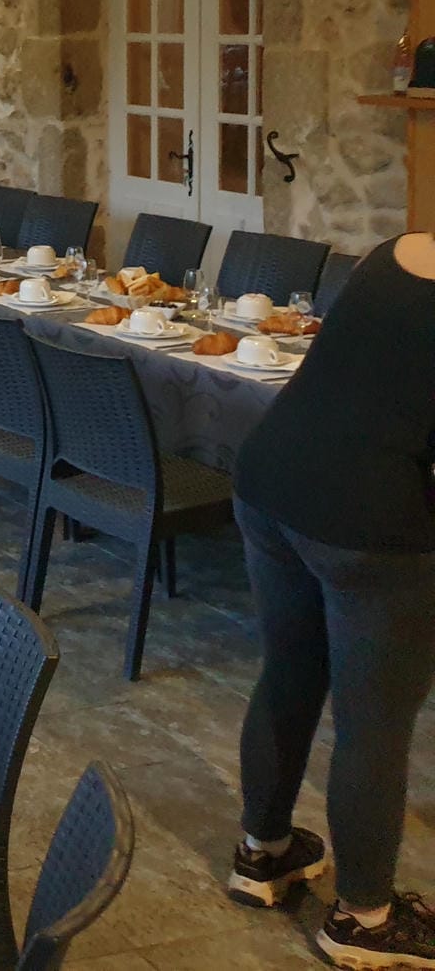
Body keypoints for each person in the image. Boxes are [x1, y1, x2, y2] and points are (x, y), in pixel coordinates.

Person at [225, 231, 435, 968]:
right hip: (366, 522)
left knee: (289, 671)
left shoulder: (396, 250)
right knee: (374, 720)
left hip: (271, 475)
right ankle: (364, 921)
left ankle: (263, 853)